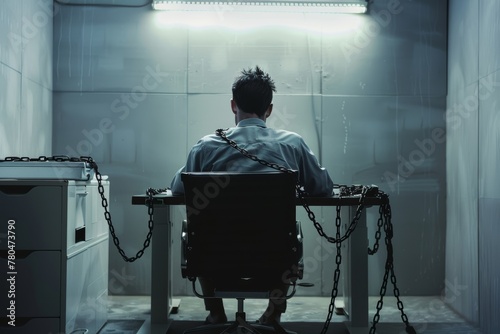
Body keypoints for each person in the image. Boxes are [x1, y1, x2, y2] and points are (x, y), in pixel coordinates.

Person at [170, 65, 334, 325]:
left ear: (233, 105)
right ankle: (272, 315)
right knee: (288, 233)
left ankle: (216, 313)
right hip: (273, 254)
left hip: (215, 254)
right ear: (269, 109)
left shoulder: (207, 145)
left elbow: (178, 189)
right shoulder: (292, 144)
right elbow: (323, 188)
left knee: (199, 231)